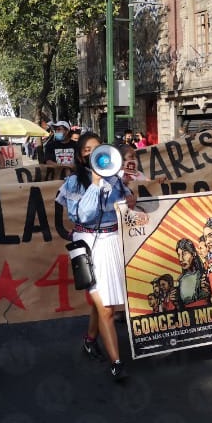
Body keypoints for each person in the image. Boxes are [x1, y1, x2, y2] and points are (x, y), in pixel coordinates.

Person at [56, 132, 137, 381]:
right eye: (87, 150)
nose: (92, 152)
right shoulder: (74, 183)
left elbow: (129, 204)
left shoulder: (115, 179)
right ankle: (117, 363)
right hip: (87, 243)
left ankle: (90, 340)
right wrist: (95, 183)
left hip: (110, 242)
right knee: (105, 308)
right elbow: (83, 216)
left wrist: (128, 192)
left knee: (105, 303)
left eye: (97, 148)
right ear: (81, 157)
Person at [175, 238, 211, 308]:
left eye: (184, 254)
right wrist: (176, 302)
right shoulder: (180, 280)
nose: (180, 259)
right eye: (179, 255)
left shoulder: (205, 274)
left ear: (193, 254)